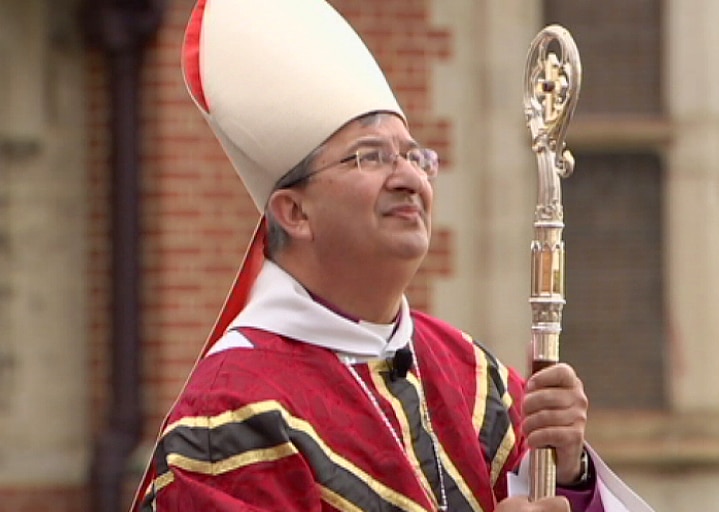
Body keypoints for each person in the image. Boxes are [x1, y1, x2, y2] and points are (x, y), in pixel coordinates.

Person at [132, 1, 655, 511]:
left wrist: (569, 474)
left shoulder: (471, 376)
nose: (409, 177)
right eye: (371, 157)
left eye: (413, 155)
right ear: (294, 212)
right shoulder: (228, 419)